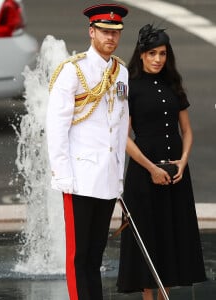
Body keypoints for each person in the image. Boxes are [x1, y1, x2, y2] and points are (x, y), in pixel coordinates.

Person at [116, 24, 207, 300]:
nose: (158, 59)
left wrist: (183, 162)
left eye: (163, 54)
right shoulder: (128, 86)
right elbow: (123, 136)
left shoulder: (173, 84)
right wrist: (151, 168)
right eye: (152, 53)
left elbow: (187, 130)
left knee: (171, 235)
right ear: (141, 54)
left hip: (176, 173)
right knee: (147, 237)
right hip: (144, 174)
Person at [46, 3, 129, 300]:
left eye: (115, 32)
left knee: (95, 255)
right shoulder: (73, 71)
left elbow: (119, 129)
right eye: (105, 32)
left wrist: (119, 177)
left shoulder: (121, 72)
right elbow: (56, 127)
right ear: (91, 32)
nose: (111, 38)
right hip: (79, 176)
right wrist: (62, 174)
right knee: (79, 257)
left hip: (106, 178)